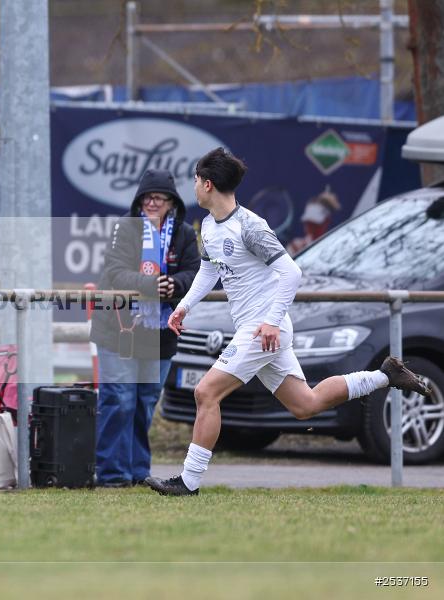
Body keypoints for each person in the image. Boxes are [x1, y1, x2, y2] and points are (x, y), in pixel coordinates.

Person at [144, 148, 431, 496]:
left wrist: (271, 322)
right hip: (259, 331)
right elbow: (208, 271)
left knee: (206, 392)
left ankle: (188, 482)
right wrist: (184, 306)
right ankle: (384, 375)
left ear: (207, 184)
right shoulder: (209, 225)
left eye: (195, 179)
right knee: (305, 405)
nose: (193, 186)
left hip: (264, 330)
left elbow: (291, 273)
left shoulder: (250, 227)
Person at [89, 169, 200, 487]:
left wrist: (174, 284)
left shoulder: (184, 233)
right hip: (119, 327)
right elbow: (115, 272)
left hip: (160, 330)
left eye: (160, 197)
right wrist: (153, 285)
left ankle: (138, 471)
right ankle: (111, 473)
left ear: (171, 202)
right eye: (148, 196)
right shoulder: (125, 228)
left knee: (145, 400)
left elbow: (195, 273)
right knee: (119, 398)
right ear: (139, 200)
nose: (153, 202)